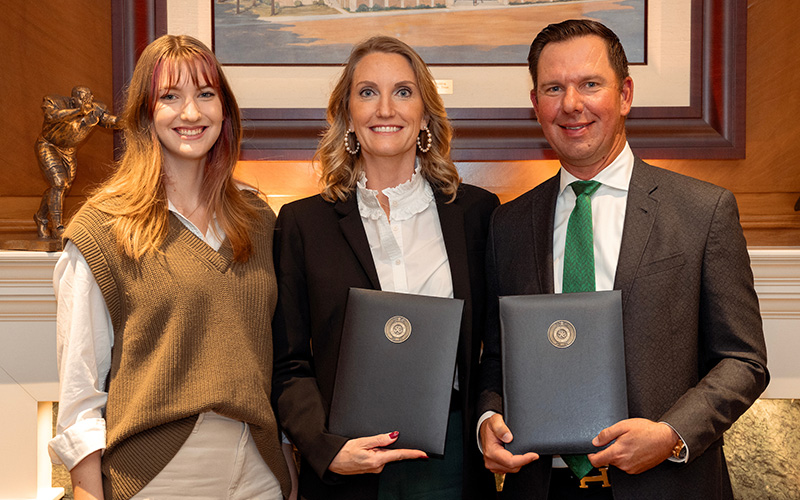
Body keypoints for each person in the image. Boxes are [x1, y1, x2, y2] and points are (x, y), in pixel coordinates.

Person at [477, 19, 768, 500]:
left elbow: (743, 360)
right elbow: (498, 359)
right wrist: (488, 418)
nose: (572, 105)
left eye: (590, 84)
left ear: (625, 93)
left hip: (665, 484)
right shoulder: (507, 224)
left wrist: (672, 434)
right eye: (554, 88)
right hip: (542, 485)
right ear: (536, 104)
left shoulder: (703, 210)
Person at [48, 35, 295, 500]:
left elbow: (274, 359)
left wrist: (284, 457)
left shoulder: (260, 222)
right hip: (159, 473)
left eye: (206, 94)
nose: (191, 113)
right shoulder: (104, 228)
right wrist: (85, 489)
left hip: (260, 469)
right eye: (170, 96)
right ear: (145, 112)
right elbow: (80, 386)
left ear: (225, 110)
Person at [271, 36, 498, 500]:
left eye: (403, 91)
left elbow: (497, 348)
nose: (385, 108)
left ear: (425, 113)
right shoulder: (302, 224)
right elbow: (287, 363)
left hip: (451, 457)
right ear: (347, 114)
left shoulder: (476, 214)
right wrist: (324, 447)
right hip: (345, 463)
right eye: (368, 92)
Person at [35, 86, 119, 239]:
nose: (87, 102)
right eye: (82, 98)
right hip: (48, 145)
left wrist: (131, 120)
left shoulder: (95, 109)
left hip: (69, 151)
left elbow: (110, 121)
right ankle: (58, 227)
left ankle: (41, 217)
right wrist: (79, 111)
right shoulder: (54, 102)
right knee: (59, 183)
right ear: (73, 100)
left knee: (62, 188)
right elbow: (52, 116)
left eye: (89, 98)